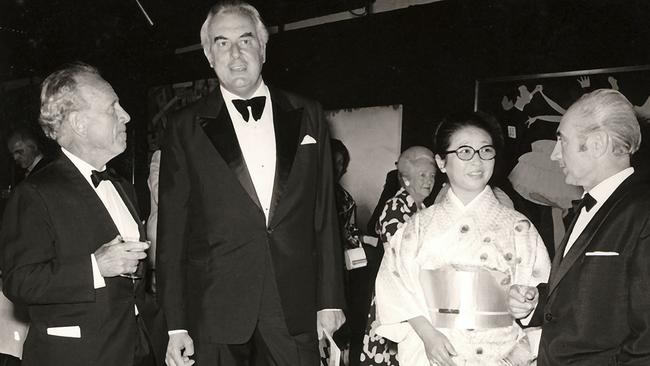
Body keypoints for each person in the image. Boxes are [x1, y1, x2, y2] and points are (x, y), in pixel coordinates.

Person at [156, 1, 346, 365]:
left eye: (245, 40)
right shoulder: (184, 126)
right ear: (209, 55)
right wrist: (175, 324)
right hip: (214, 306)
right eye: (222, 43)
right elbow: (172, 231)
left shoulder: (308, 113)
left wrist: (330, 298)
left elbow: (324, 213)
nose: (236, 54)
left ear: (262, 46)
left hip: (294, 302)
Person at [0, 63, 165, 366]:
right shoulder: (35, 192)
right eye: (113, 108)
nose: (126, 116)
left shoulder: (124, 187)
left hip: (139, 348)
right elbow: (18, 281)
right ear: (78, 123)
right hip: (80, 355)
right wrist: (95, 266)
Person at [374, 112, 551, 366]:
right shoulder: (418, 226)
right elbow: (394, 285)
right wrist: (427, 335)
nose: (477, 161)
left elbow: (541, 297)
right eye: (465, 152)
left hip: (502, 354)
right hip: (436, 351)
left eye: (485, 151)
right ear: (442, 162)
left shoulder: (519, 226)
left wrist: (529, 300)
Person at [508, 89, 650, 365]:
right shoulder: (589, 204)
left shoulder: (643, 211)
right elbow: (593, 295)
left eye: (562, 141)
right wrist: (536, 302)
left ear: (597, 144)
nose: (554, 154)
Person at [360, 146, 436, 366]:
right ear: (406, 178)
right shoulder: (396, 205)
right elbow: (401, 254)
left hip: (417, 294)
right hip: (397, 290)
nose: (428, 181)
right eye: (422, 175)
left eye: (431, 176)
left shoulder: (425, 208)